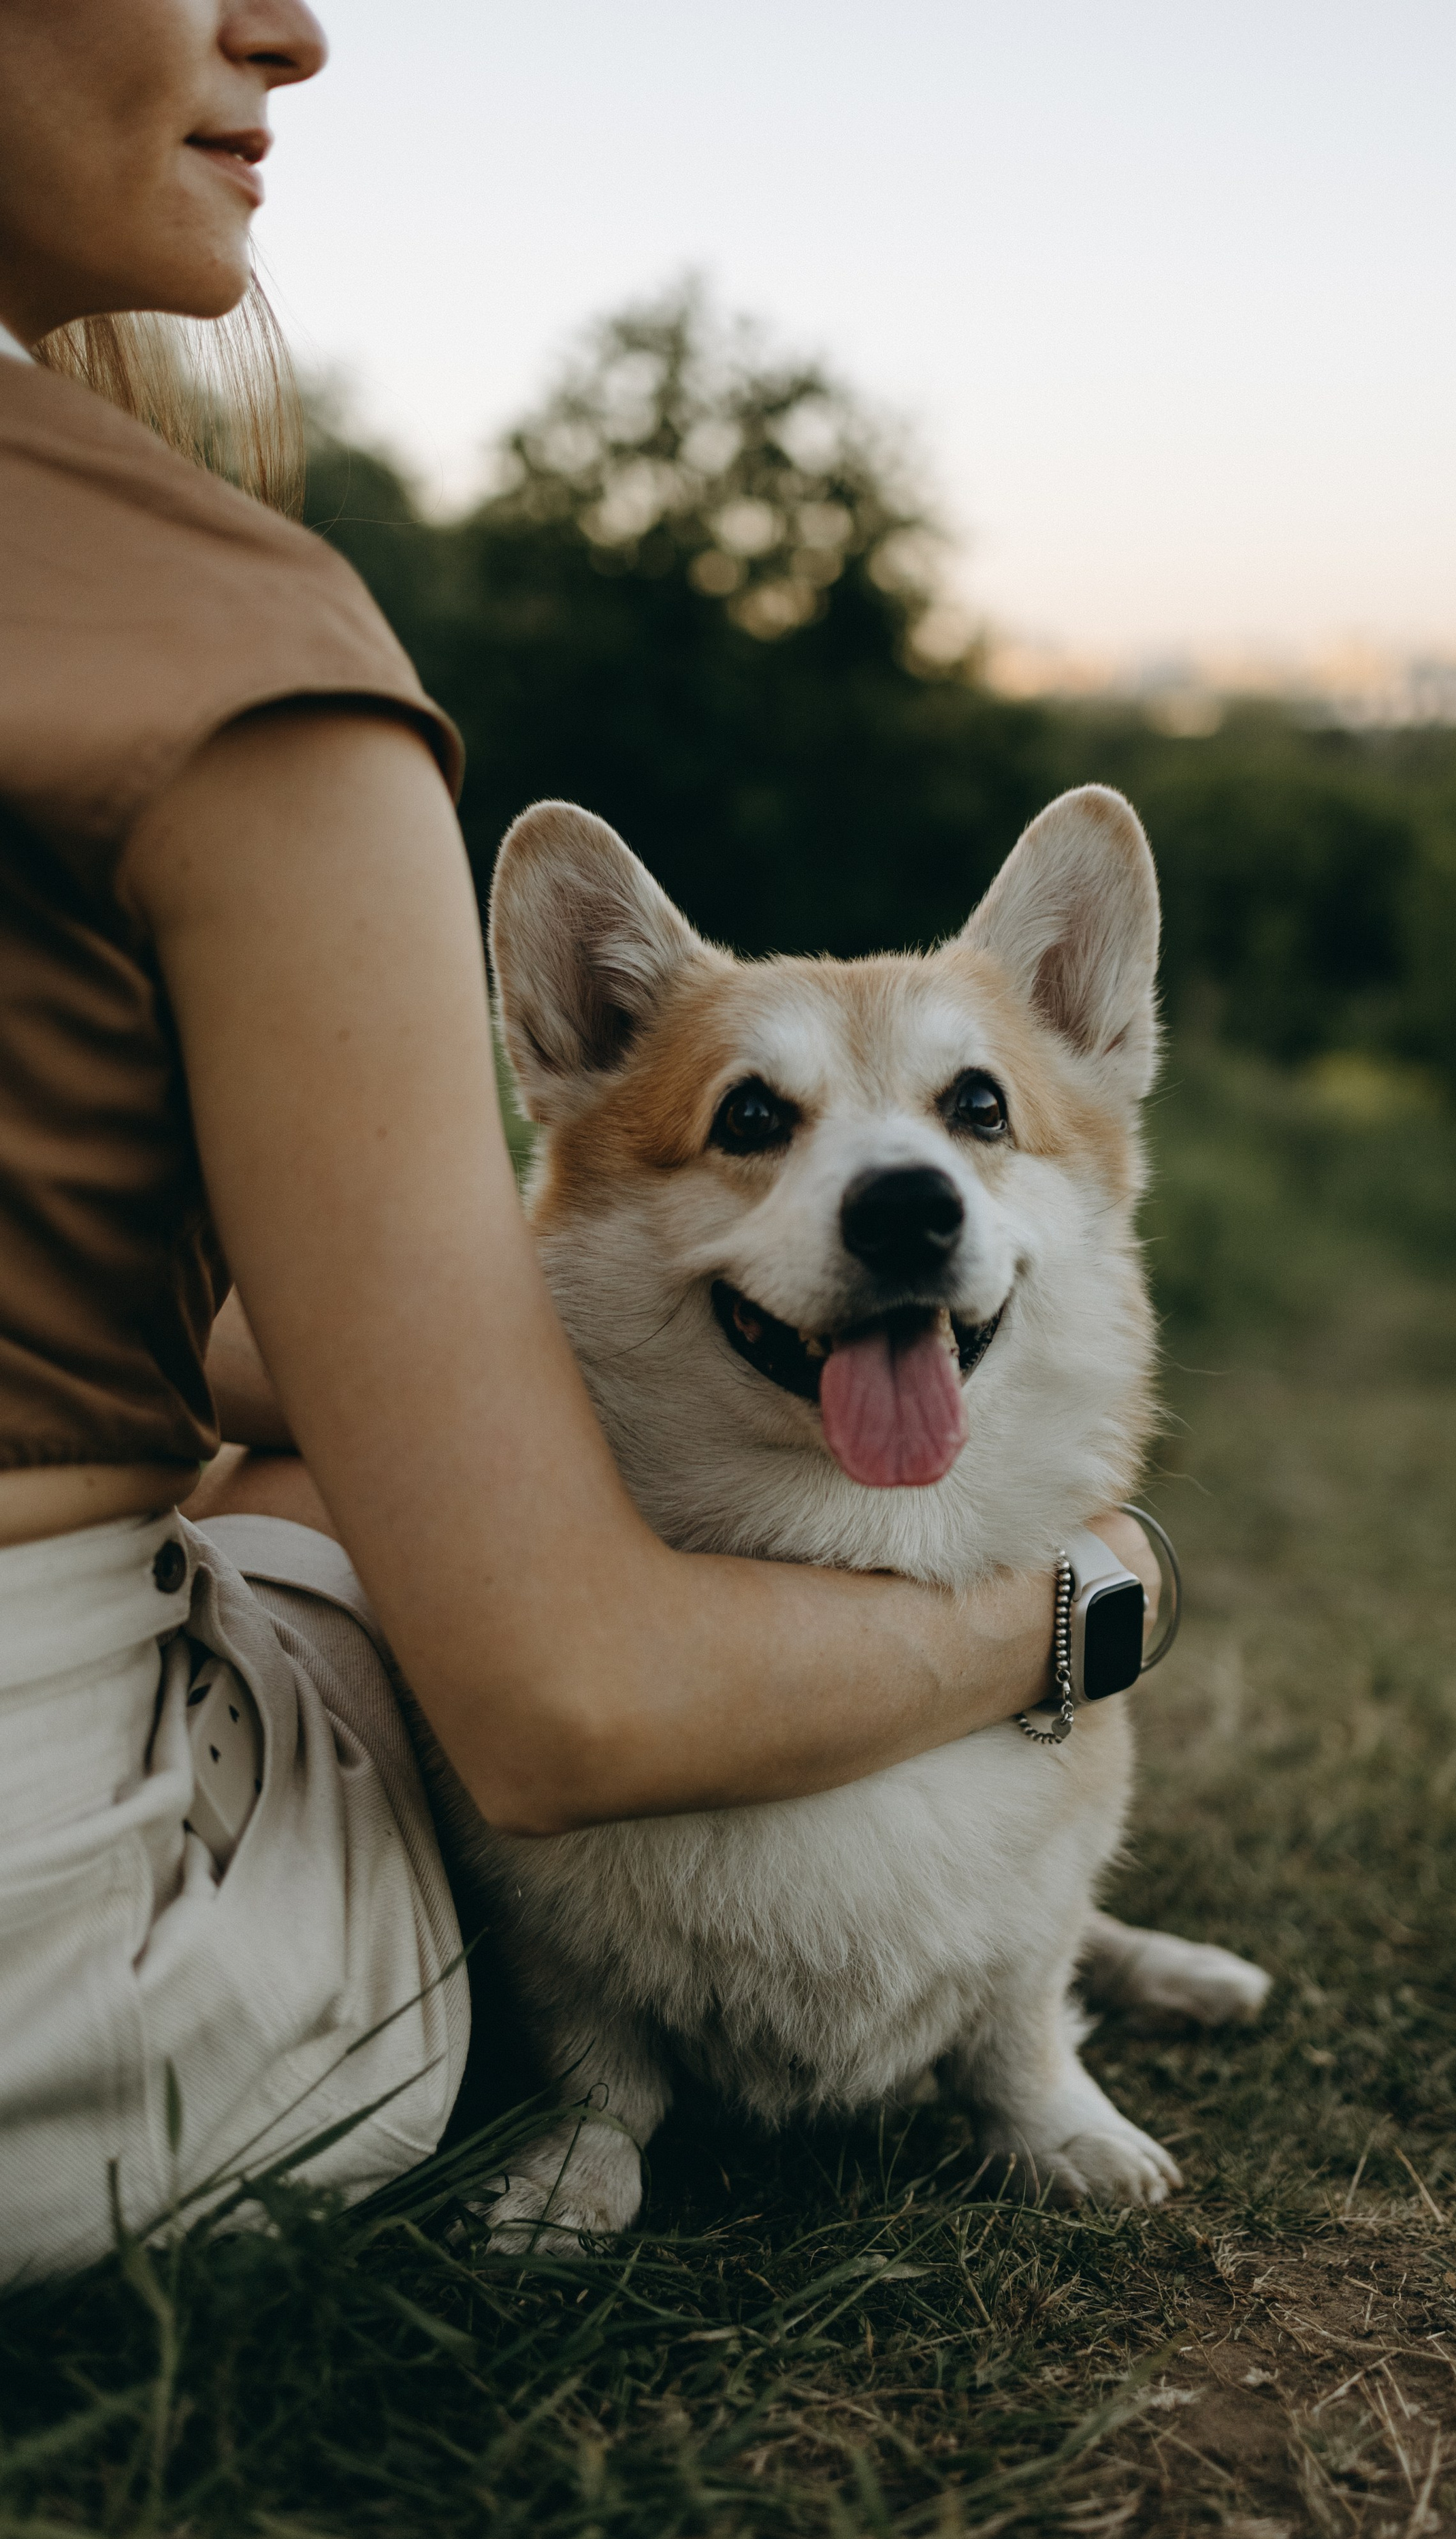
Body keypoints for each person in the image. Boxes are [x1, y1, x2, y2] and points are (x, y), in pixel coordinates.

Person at [0, 1, 1163, 2275]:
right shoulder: (224, 639)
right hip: (78, 1974)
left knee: (317, 1461)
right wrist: (1100, 1601)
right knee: (349, 1525)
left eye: (967, 1114)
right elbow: (565, 1710)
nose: (292, 30)